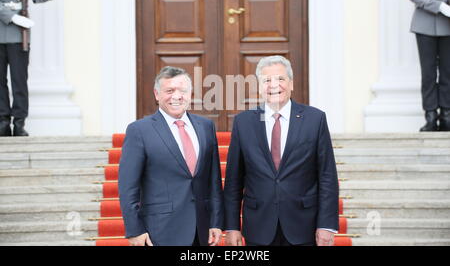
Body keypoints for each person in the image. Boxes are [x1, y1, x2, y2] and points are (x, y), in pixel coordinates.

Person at [224, 56, 339, 247]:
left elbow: (327, 176)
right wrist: (232, 226)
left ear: (291, 84)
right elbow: (233, 181)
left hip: (303, 225)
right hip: (258, 227)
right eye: (266, 80)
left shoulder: (314, 119)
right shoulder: (243, 123)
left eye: (280, 79)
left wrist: (327, 225)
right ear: (259, 87)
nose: (273, 85)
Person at [118, 67, 224, 246]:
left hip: (201, 230)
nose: (177, 96)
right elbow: (128, 186)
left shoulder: (206, 126)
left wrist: (216, 221)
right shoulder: (139, 130)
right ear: (157, 94)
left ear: (190, 94)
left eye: (182, 90)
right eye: (169, 91)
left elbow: (213, 181)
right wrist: (135, 230)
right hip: (159, 232)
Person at [0, 0, 55, 137]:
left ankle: (19, 122)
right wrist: (12, 16)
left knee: (19, 80)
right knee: (0, 80)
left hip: (19, 35)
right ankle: (3, 121)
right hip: (2, 31)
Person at [408, 0, 450, 131]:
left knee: (448, 73)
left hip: (447, 26)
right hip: (424, 25)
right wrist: (440, 6)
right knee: (428, 73)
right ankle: (431, 115)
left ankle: (447, 114)